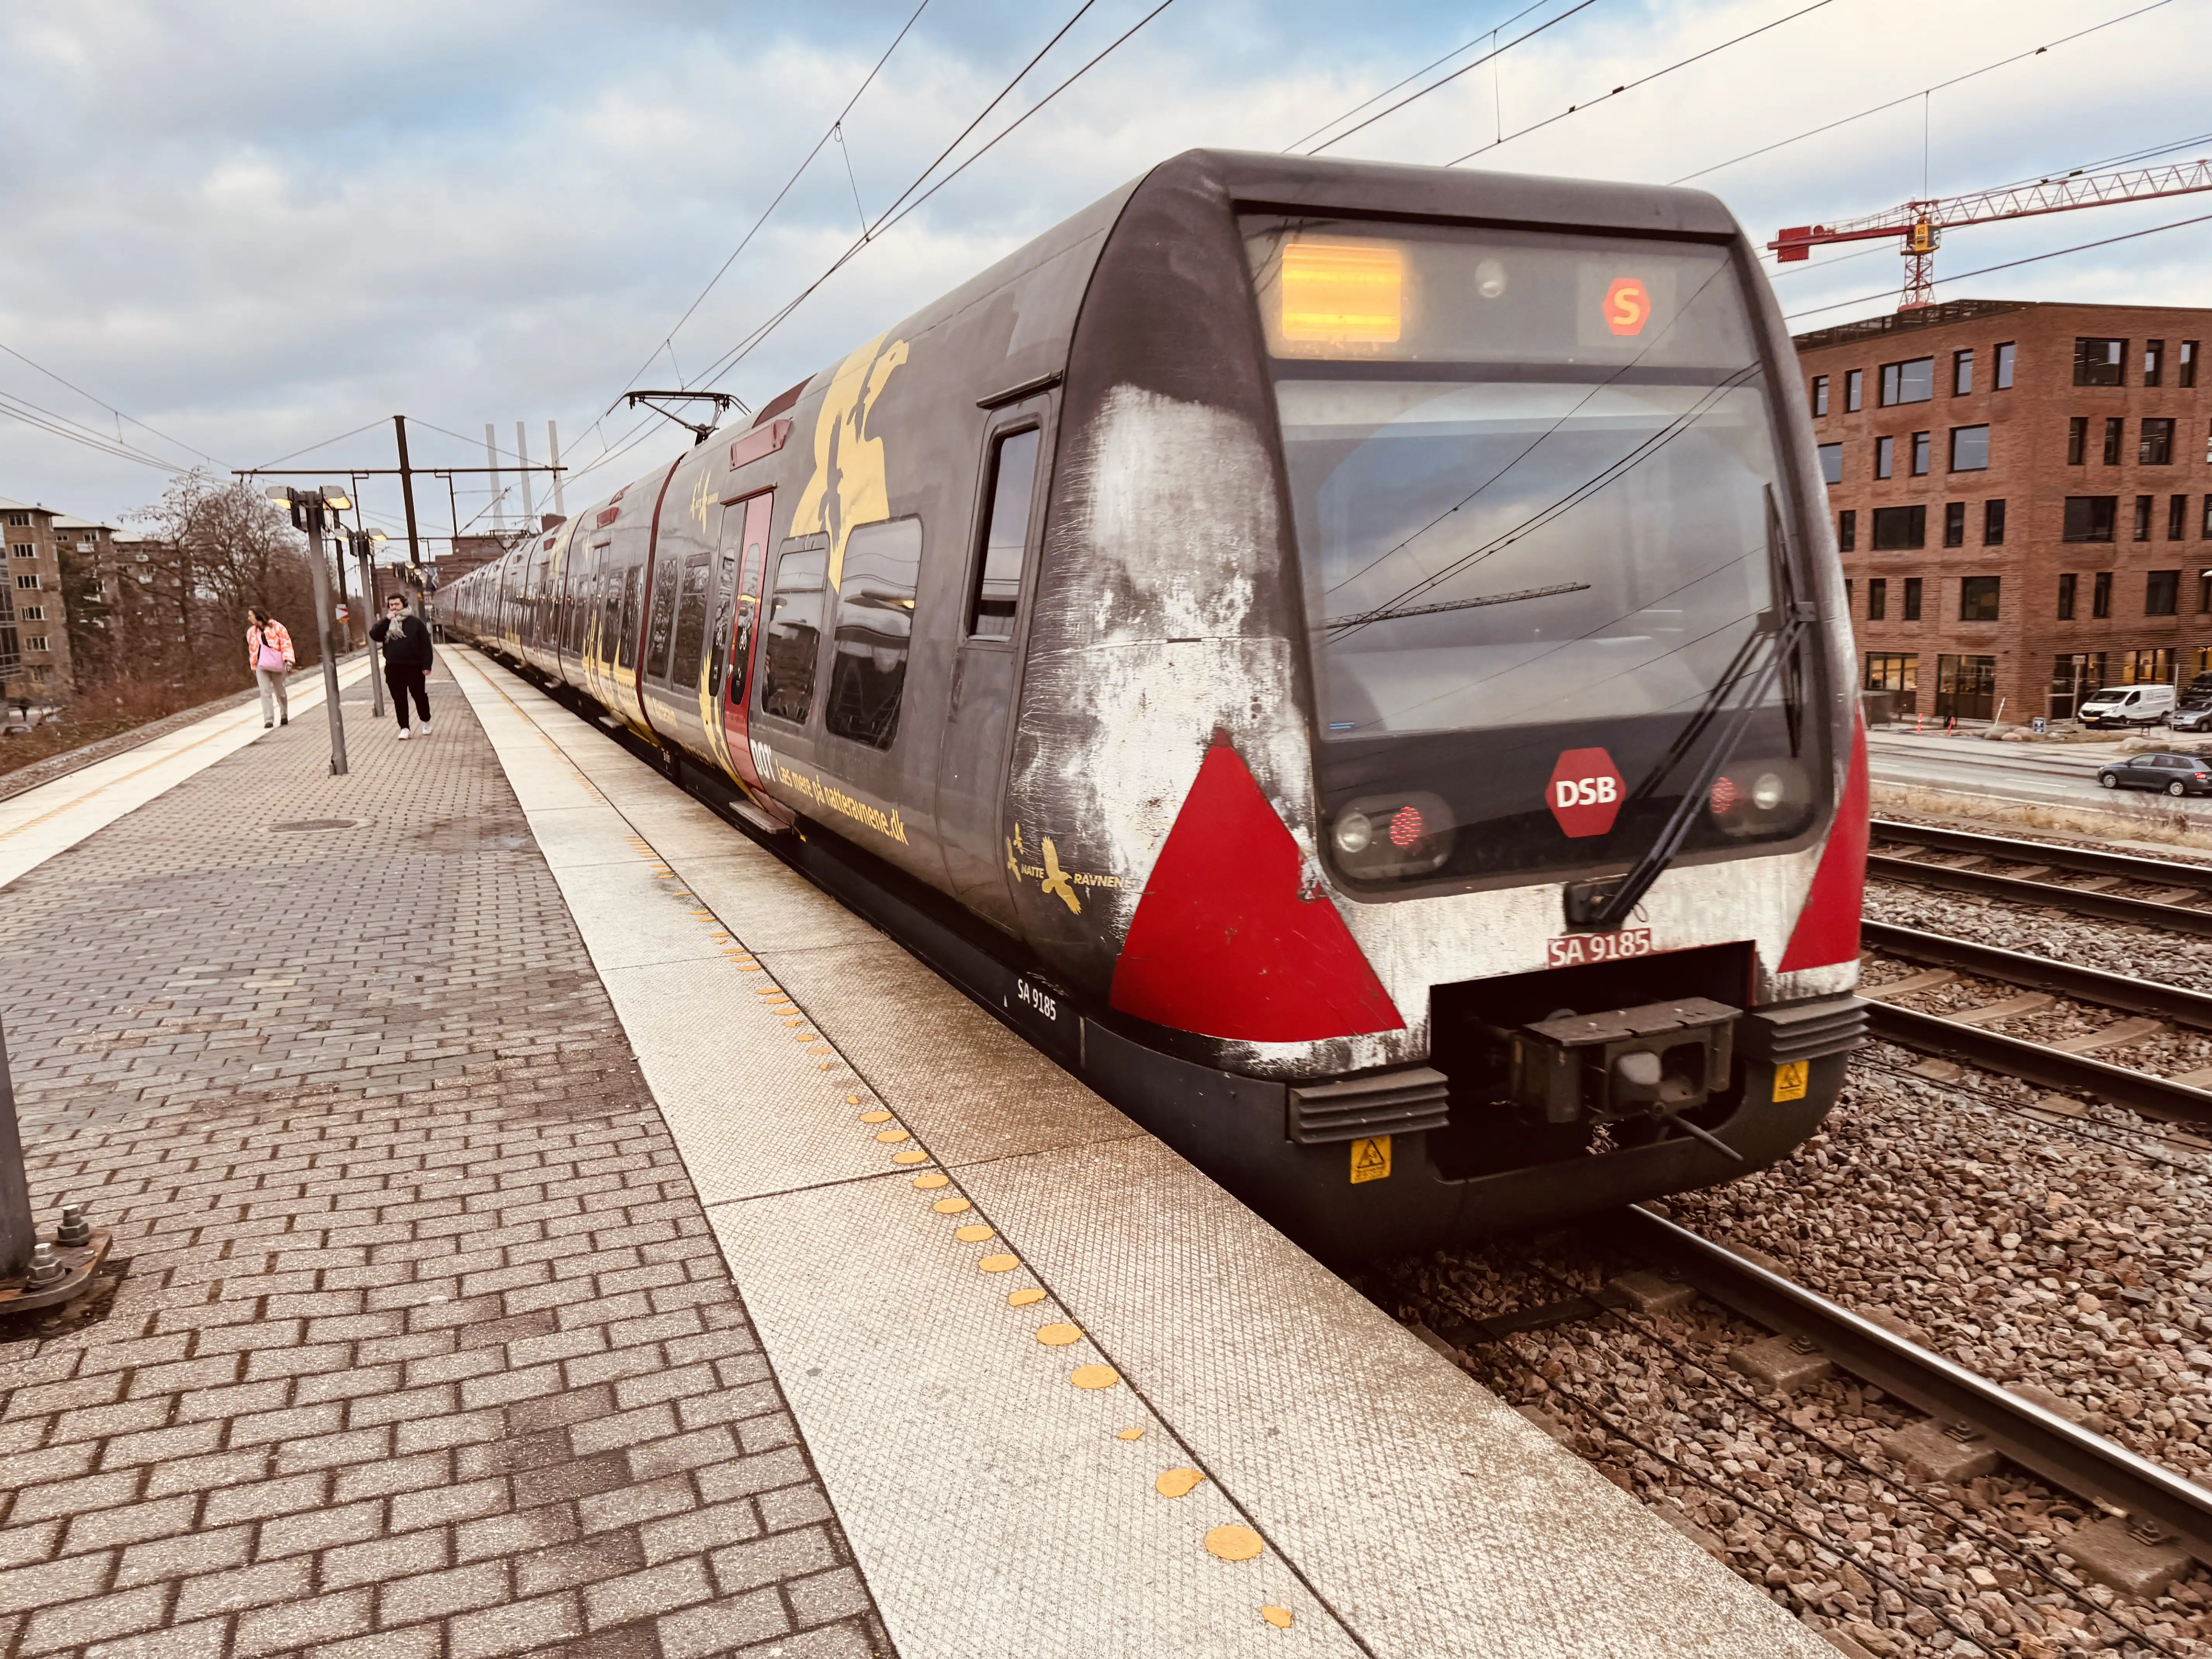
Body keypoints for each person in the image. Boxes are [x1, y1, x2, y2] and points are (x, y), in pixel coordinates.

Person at [369, 593, 433, 740]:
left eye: (397, 605)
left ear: (404, 604)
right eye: (391, 605)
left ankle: (426, 721)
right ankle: (404, 728)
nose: (394, 608)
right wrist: (386, 620)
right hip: (394, 667)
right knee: (399, 699)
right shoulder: (387, 624)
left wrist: (427, 665)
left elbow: (426, 646)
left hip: (414, 667)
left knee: (419, 697)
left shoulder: (416, 623)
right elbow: (375, 635)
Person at [246, 608, 294, 728]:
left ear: (258, 616)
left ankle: (284, 714)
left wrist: (288, 660)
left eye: (251, 615)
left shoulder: (277, 627)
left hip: (276, 663)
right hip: (261, 664)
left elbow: (286, 643)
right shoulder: (251, 632)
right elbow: (252, 650)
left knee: (280, 691)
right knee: (265, 691)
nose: (249, 618)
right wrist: (253, 665)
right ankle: (269, 719)